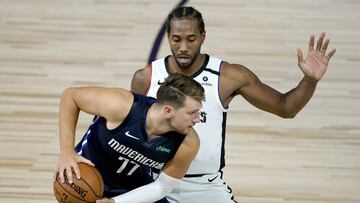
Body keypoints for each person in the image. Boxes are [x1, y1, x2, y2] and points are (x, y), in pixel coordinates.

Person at [131, 6, 336, 203]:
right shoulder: (146, 78)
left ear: (203, 37)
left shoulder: (229, 76)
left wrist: (310, 80)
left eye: (191, 39)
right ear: (168, 37)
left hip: (205, 186)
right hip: (153, 181)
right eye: (176, 39)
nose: (183, 47)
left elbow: (286, 107)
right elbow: (128, 132)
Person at [54, 73, 205, 203]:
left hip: (135, 189)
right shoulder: (120, 105)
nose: (198, 119)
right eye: (192, 113)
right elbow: (70, 96)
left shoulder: (188, 144)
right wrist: (66, 151)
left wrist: (115, 202)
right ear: (168, 111)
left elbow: (161, 187)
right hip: (87, 178)